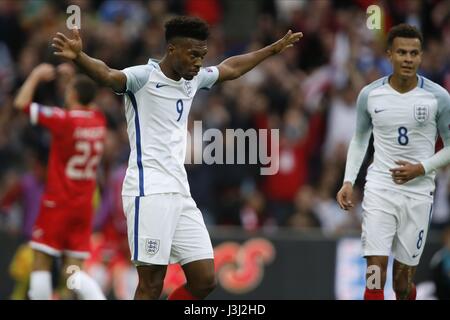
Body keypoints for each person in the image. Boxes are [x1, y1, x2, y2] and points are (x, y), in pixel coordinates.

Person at [51, 16, 302, 300]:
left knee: (205, 279)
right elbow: (108, 75)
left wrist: (272, 50)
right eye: (193, 55)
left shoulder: (190, 81)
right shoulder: (144, 77)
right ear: (172, 50)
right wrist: (80, 57)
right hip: (149, 191)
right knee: (151, 284)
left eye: (202, 56)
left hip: (180, 192)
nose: (198, 62)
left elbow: (229, 68)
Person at [337, 23, 450, 300]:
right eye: (401, 52)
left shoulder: (438, 97)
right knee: (375, 273)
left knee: (402, 283)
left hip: (419, 194)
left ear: (421, 56)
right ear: (389, 54)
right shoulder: (370, 95)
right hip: (380, 190)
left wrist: (421, 168)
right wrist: (348, 181)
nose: (408, 59)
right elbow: (360, 139)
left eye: (414, 53)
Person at [14, 63, 107, 300]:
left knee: (42, 261)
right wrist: (73, 79)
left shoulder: (63, 120)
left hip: (58, 203)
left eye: (68, 91)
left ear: (73, 95)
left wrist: (35, 76)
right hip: (84, 206)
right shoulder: (99, 120)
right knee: (73, 272)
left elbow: (21, 104)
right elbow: (86, 98)